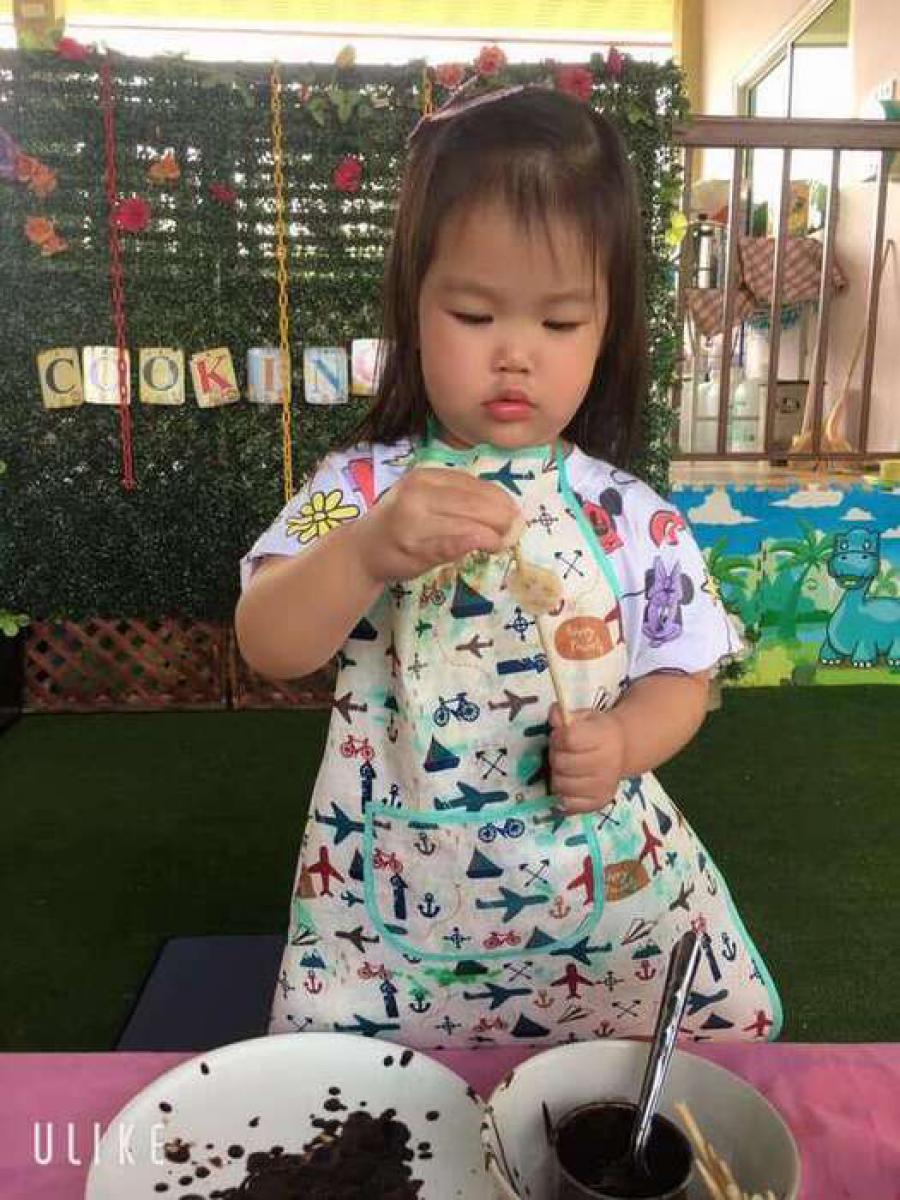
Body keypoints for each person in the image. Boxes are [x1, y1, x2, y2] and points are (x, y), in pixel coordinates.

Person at [235, 85, 782, 1048]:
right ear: (414, 306)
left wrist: (624, 743)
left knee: (645, 1066)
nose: (516, 355)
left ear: (609, 330)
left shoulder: (634, 516)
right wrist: (364, 551)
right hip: (395, 895)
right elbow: (268, 640)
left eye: (561, 324)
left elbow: (682, 676)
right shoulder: (357, 488)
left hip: (595, 887)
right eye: (474, 313)